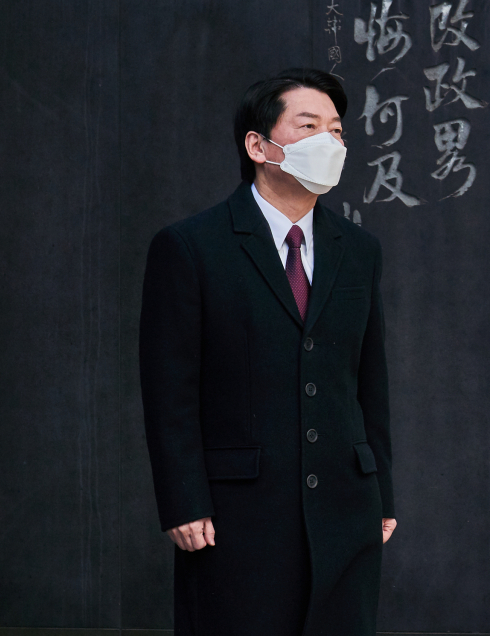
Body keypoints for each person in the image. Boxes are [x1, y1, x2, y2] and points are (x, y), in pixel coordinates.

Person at [139, 67, 395, 636]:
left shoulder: (357, 250)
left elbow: (367, 379)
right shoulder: (190, 247)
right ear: (259, 145)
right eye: (309, 126)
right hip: (237, 514)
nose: (330, 142)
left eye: (338, 130)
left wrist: (382, 494)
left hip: (345, 508)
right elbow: (169, 390)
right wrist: (183, 500)